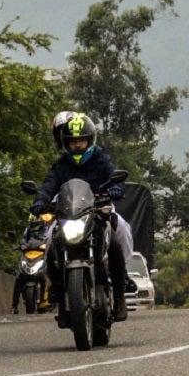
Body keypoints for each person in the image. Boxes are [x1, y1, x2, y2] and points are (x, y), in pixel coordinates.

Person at [30, 112, 134, 323]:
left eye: (81, 141)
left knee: (119, 233)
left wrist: (116, 189)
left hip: (99, 210)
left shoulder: (101, 159)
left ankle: (120, 292)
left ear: (90, 140)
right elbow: (49, 185)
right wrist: (40, 201)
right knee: (49, 242)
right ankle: (59, 297)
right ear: (65, 144)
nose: (77, 146)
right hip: (69, 215)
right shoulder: (61, 165)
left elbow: (114, 177)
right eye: (73, 142)